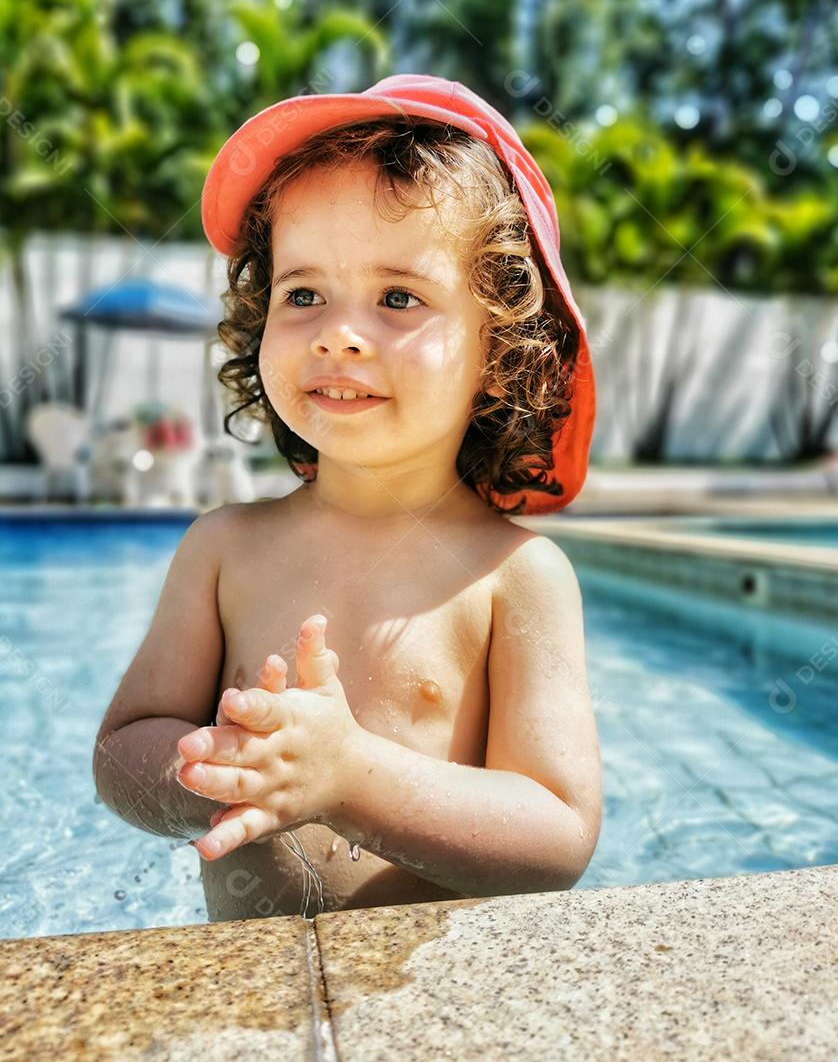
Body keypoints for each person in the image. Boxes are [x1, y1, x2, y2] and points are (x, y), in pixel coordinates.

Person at [92, 74, 602, 921]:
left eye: (399, 296)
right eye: (303, 294)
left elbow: (556, 836)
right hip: (251, 998)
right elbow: (119, 755)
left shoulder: (516, 578)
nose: (336, 331)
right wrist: (221, 773)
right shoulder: (223, 549)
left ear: (500, 351)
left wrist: (347, 777)